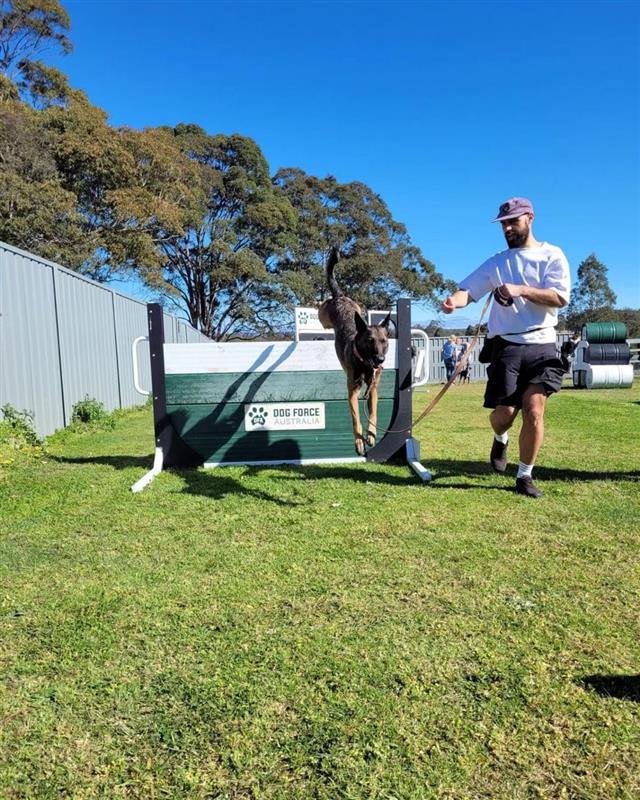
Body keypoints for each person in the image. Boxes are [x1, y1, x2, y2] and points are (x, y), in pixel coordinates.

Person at [441, 197, 570, 498]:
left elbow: (560, 298)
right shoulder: (497, 262)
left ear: (530, 218)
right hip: (507, 347)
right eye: (504, 225)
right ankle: (500, 437)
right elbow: (467, 291)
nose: (508, 228)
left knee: (535, 409)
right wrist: (452, 302)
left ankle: (524, 476)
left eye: (513, 222)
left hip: (542, 343)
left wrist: (520, 289)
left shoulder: (552, 255)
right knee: (505, 413)